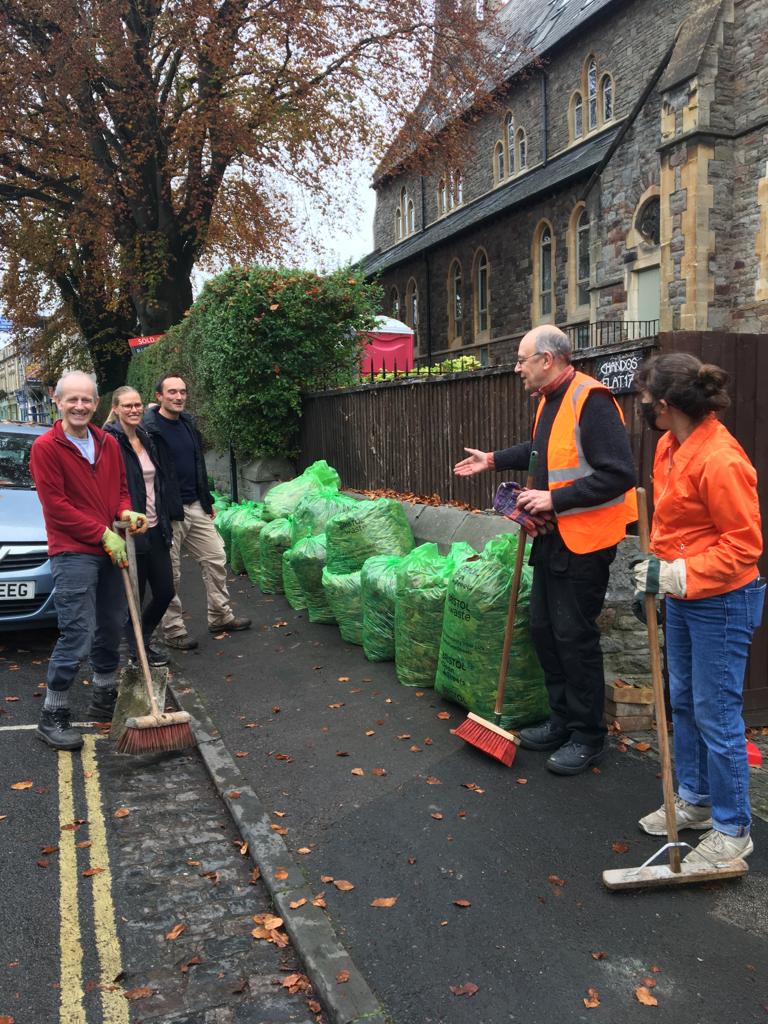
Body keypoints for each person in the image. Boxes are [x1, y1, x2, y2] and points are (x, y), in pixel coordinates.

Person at [454, 325, 637, 775]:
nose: (517, 368)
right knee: (544, 630)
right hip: (553, 537)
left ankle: (588, 736)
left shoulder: (591, 400)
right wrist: (493, 459)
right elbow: (540, 453)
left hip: (586, 543)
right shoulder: (548, 400)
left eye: (522, 360)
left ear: (547, 360)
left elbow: (619, 474)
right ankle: (561, 721)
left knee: (574, 638)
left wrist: (555, 499)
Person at [632, 353, 764, 866]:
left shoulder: (721, 459)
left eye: (646, 399)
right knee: (684, 701)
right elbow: (674, 524)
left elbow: (744, 546)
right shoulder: (669, 445)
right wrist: (658, 569)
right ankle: (697, 798)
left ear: (666, 404)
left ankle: (734, 829)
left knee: (716, 712)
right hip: (685, 598)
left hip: (722, 601)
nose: (643, 406)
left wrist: (676, 575)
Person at [29, 371, 148, 749]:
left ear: (97, 404)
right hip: (73, 552)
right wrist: (102, 533)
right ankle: (53, 714)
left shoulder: (107, 443)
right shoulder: (46, 448)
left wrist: (126, 512)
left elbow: (121, 491)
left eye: (86, 400)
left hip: (111, 547)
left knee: (111, 626)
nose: (79, 406)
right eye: (72, 399)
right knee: (78, 633)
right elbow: (56, 507)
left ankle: (104, 697)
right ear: (58, 401)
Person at [143, 373, 250, 649]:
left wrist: (206, 498)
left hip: (196, 505)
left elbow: (197, 464)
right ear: (159, 396)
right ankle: (174, 631)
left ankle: (220, 616)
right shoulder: (148, 429)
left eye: (182, 392)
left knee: (216, 557)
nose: (178, 397)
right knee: (172, 575)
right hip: (168, 512)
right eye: (172, 392)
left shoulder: (188, 423)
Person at [103, 386, 175, 667]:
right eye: (127, 405)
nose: (134, 410)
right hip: (130, 530)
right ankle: (138, 651)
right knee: (135, 595)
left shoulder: (145, 436)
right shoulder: (110, 441)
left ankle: (141, 637)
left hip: (155, 526)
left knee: (165, 591)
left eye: (137, 405)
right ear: (116, 408)